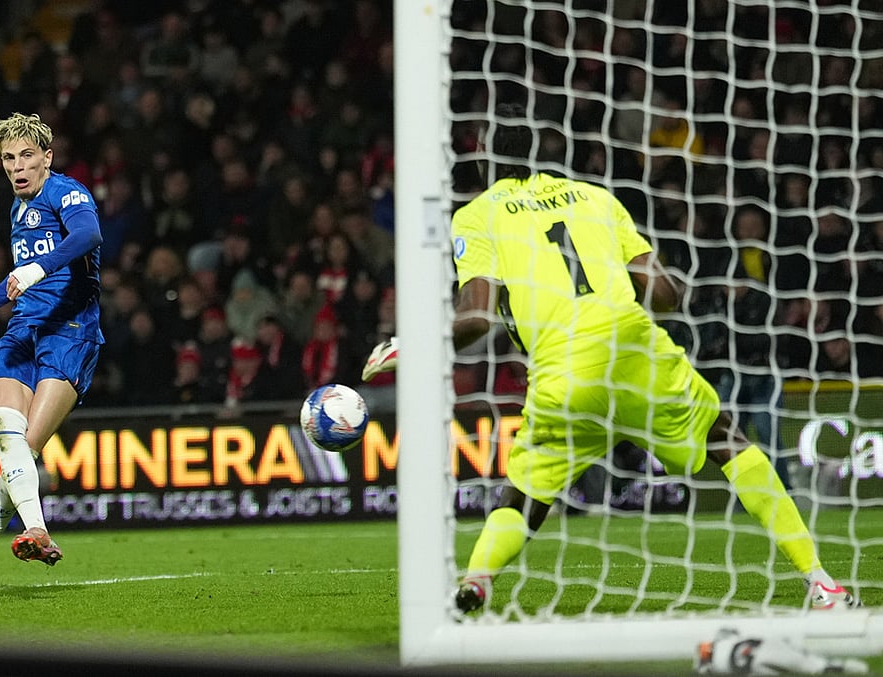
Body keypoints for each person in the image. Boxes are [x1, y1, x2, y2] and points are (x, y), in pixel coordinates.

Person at [362, 103, 858, 614]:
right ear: (537, 147)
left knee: (526, 495)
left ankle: (478, 579)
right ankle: (821, 582)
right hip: (632, 350)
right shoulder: (596, 198)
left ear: (484, 152)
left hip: (563, 372)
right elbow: (665, 293)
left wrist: (413, 345)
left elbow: (477, 317)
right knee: (728, 443)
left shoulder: (477, 215)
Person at [0, 113, 105, 600]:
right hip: (22, 331)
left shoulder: (66, 192)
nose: (17, 166)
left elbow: (88, 236)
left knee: (25, 449)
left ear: (47, 157)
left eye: (27, 155)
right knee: (9, 438)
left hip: (70, 333)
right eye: (9, 158)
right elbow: (18, 278)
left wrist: (38, 269)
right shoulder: (17, 208)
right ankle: (37, 531)